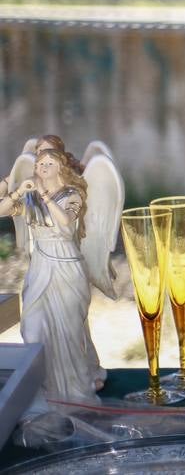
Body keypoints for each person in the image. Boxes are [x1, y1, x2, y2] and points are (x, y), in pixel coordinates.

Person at [0, 148, 104, 402]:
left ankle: (75, 392)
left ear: (60, 167)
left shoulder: (73, 195)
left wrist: (44, 195)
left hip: (66, 268)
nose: (42, 167)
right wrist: (19, 192)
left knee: (69, 333)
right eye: (39, 164)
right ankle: (45, 391)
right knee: (33, 330)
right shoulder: (31, 198)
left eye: (48, 163)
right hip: (40, 270)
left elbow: (65, 223)